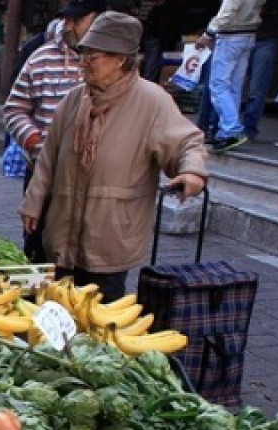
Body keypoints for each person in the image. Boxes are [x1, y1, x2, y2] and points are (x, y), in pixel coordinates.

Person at [19, 12, 207, 302]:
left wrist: (192, 172)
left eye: (93, 57)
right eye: (83, 54)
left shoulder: (152, 101)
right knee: (49, 313)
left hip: (110, 237)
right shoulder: (74, 100)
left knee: (97, 322)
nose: (83, 63)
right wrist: (33, 203)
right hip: (61, 231)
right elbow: (48, 158)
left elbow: (186, 141)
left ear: (121, 59)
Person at [4, 0, 104, 262]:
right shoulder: (40, 57)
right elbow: (14, 109)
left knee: (88, 254)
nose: (69, 26)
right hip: (43, 174)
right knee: (38, 248)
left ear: (98, 18)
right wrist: (36, 142)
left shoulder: (111, 66)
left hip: (94, 179)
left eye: (78, 20)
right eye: (67, 20)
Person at [195, 0, 267, 152]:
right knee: (234, 86)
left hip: (230, 34)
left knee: (219, 84)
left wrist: (208, 33)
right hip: (248, 33)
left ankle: (231, 128)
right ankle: (226, 132)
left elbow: (229, 9)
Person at [241, 0, 278, 141]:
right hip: (247, 35)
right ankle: (235, 126)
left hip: (263, 36)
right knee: (242, 85)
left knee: (256, 87)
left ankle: (248, 127)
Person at [141, 0, 182, 83]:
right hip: (154, 38)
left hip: (158, 38)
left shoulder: (168, 8)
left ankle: (148, 81)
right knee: (151, 62)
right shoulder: (159, 9)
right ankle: (148, 81)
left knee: (152, 62)